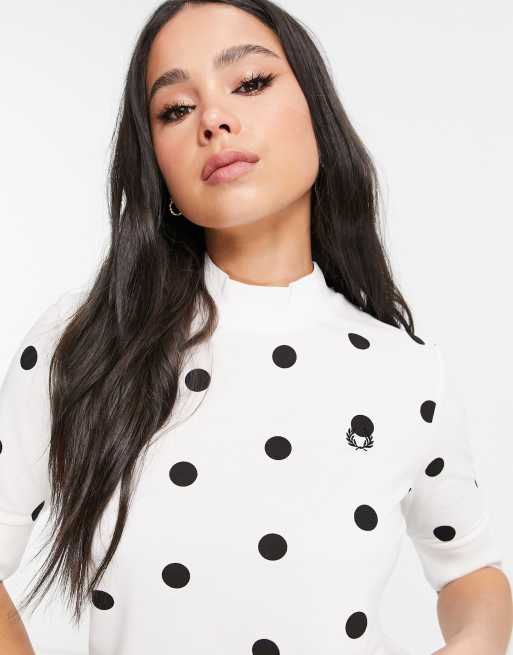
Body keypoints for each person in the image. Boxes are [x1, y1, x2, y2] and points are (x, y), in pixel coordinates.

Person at [0, 1, 510, 654]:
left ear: (318, 114)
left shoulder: (405, 371)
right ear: (158, 166)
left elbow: (469, 567)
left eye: (249, 82)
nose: (213, 119)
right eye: (175, 109)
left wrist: (477, 642)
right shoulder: (84, 343)